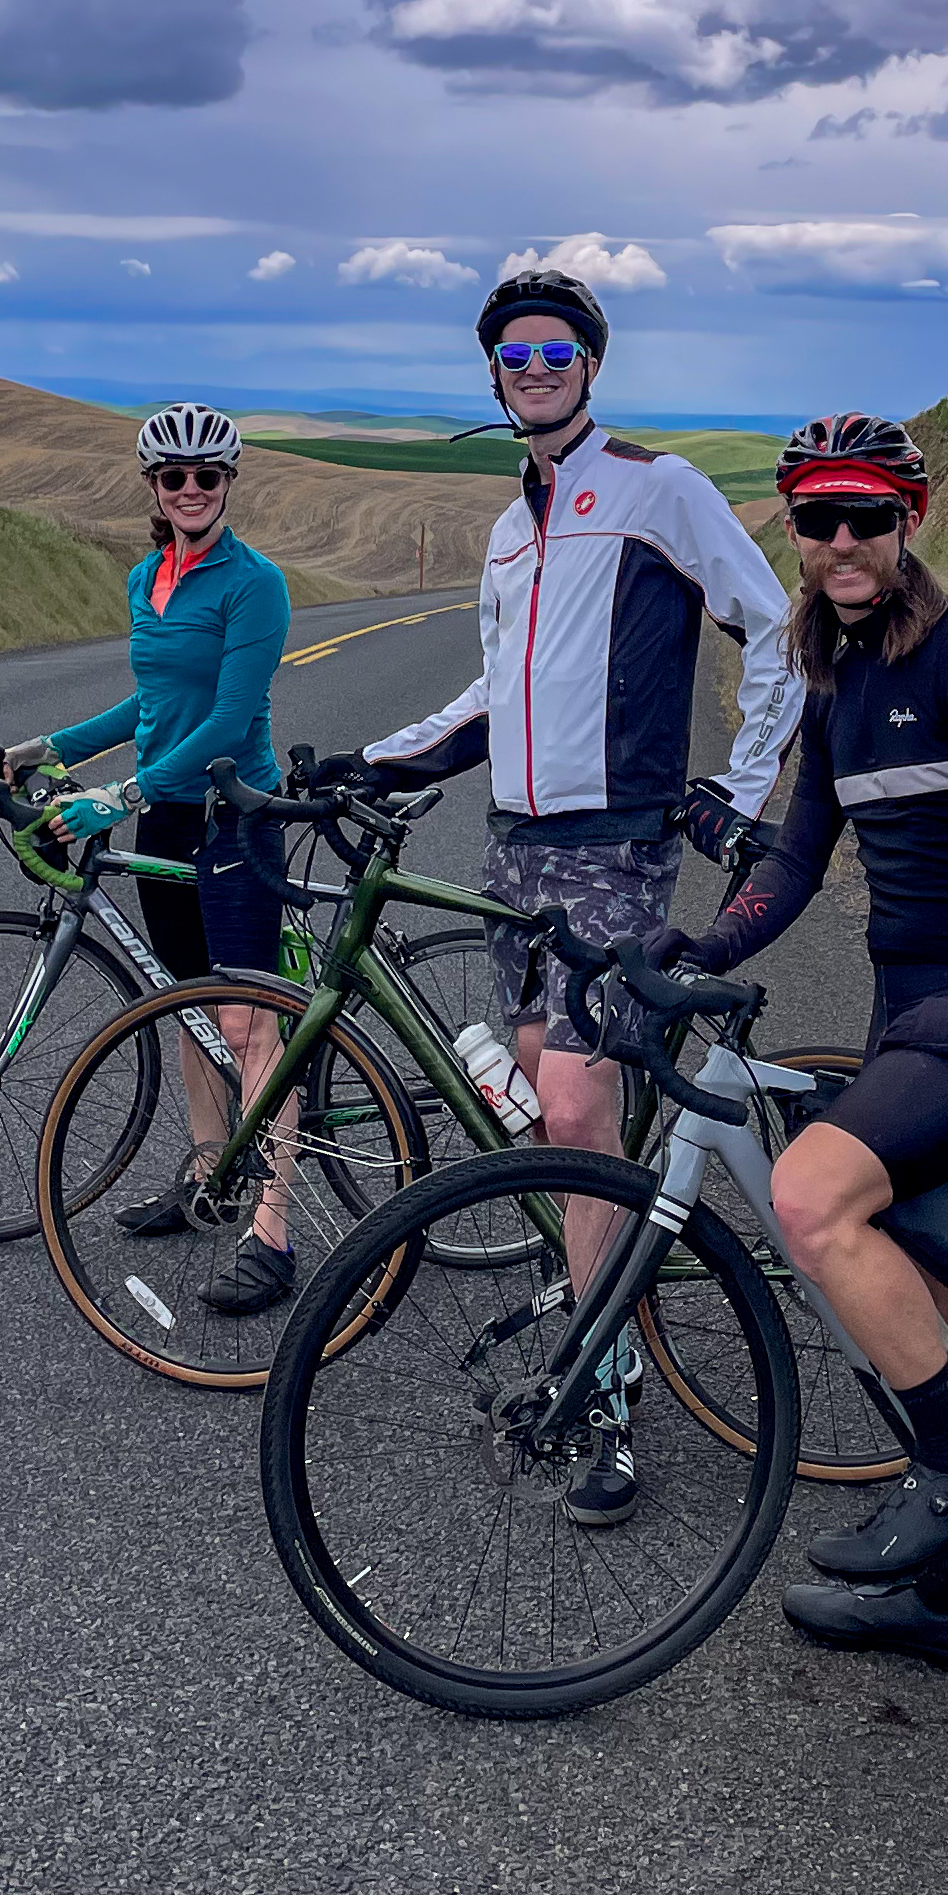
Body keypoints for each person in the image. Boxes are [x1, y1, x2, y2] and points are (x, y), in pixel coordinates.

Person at [349, 263, 801, 1527]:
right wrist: (370, 758)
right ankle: (612, 1286)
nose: (535, 370)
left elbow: (771, 626)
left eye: (557, 351)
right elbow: (499, 696)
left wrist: (740, 788)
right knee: (561, 1115)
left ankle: (603, 1391)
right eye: (515, 354)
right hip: (518, 853)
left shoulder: (656, 489)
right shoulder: (507, 528)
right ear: (490, 373)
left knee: (569, 1106)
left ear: (591, 366)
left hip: (615, 848)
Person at [668, 411, 948, 1673]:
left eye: (868, 518)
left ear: (912, 523)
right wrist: (703, 953)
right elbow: (799, 857)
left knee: (811, 1196)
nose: (843, 541)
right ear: (792, 531)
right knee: (927, 1274)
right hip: (911, 1011)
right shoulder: (834, 670)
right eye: (817, 520)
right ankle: (947, 1601)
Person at [0, 402, 302, 1315]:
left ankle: (274, 1233)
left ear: (229, 484)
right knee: (189, 1011)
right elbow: (151, 706)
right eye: (177, 479)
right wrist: (49, 748)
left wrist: (116, 795)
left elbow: (226, 719)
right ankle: (207, 1179)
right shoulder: (147, 579)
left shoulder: (255, 585)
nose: (194, 490)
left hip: (233, 815)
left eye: (210, 477)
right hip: (167, 819)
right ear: (155, 490)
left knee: (253, 1028)